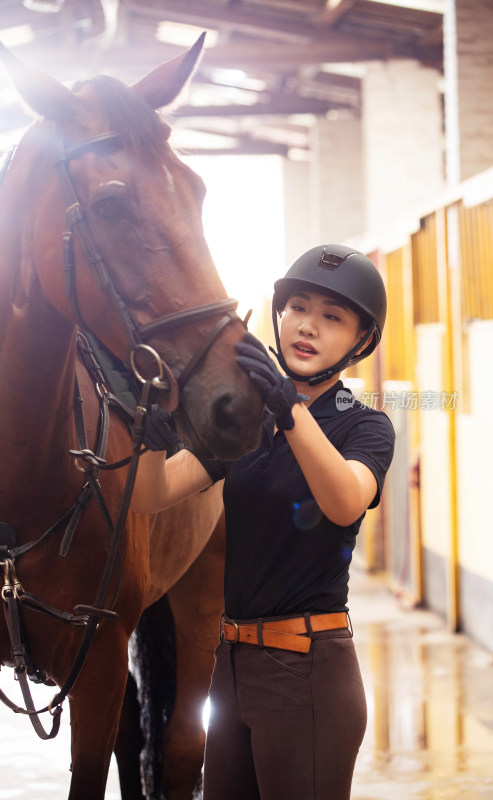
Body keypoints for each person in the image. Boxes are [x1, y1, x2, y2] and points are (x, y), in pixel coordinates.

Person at [132, 243, 395, 800]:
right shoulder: (247, 421)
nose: (308, 326)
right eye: (297, 307)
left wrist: (289, 408)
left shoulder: (365, 427)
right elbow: (153, 496)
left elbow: (344, 501)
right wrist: (151, 440)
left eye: (332, 317)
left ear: (361, 341)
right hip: (229, 667)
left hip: (308, 671)